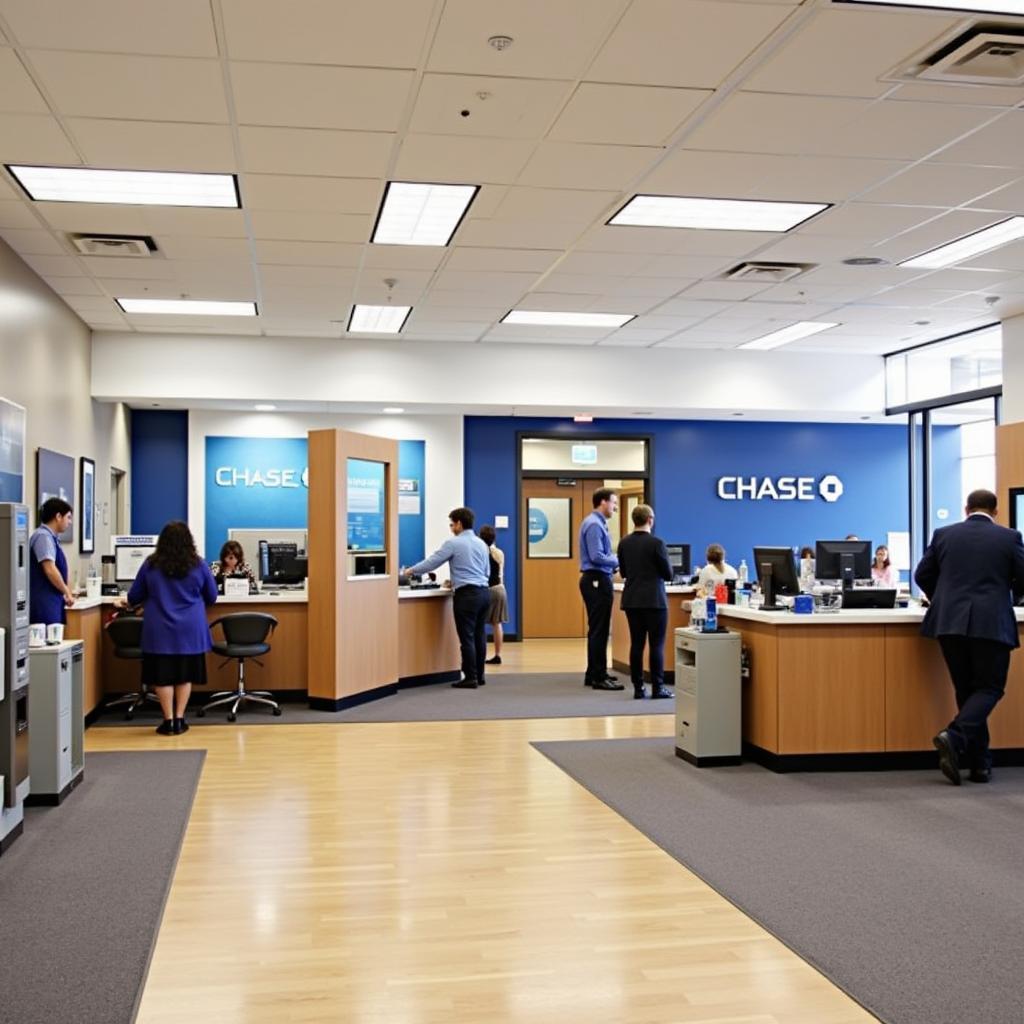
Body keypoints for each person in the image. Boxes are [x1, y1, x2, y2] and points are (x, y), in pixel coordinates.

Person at [914, 489, 1024, 785]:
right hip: (991, 623)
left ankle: (979, 764)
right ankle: (955, 735)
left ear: (966, 509)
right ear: (996, 511)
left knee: (968, 692)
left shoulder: (944, 534)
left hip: (949, 622)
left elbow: (922, 574)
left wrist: (944, 598)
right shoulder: (1009, 537)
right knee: (989, 689)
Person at [121, 521, 218, 735]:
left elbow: (134, 596)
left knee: (162, 676)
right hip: (190, 630)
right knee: (184, 675)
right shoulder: (199, 564)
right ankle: (181, 719)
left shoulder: (150, 565)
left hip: (160, 629)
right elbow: (212, 596)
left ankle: (168, 721)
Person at [404, 507, 491, 689]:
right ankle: (480, 675)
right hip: (484, 593)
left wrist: (410, 570)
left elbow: (433, 562)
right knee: (479, 635)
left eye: (452, 524)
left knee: (466, 637)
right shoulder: (482, 543)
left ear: (459, 523)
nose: (451, 528)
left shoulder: (453, 543)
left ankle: (470, 678)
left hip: (466, 595)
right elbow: (486, 572)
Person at [616, 504, 673, 700]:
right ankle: (658, 688)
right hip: (654, 600)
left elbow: (623, 572)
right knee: (656, 645)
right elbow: (668, 574)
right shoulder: (657, 543)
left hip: (632, 599)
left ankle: (638, 688)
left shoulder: (624, 543)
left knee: (637, 644)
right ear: (650, 519)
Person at [579, 487, 623, 691]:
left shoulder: (598, 523)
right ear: (603, 502)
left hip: (598, 578)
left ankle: (596, 672)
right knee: (599, 629)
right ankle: (597, 677)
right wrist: (619, 560)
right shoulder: (595, 524)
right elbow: (597, 556)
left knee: (600, 629)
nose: (615, 507)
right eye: (613, 503)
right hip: (596, 579)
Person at [29, 497, 75, 625]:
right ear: (58, 516)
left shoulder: (52, 538)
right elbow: (50, 569)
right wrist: (66, 591)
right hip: (43, 603)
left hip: (52, 600)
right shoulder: (43, 536)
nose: (70, 522)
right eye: (68, 517)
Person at [478, 524, 508, 665]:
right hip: (500, 589)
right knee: (497, 624)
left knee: (479, 624)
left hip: (487, 590)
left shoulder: (481, 553)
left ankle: (479, 655)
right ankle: (498, 655)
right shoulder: (499, 553)